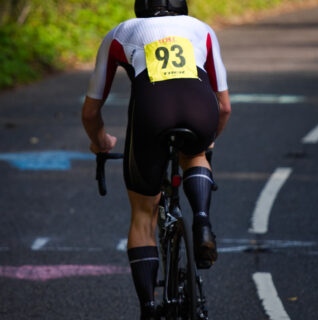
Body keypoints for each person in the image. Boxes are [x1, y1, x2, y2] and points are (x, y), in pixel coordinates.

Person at [82, 0, 231, 318]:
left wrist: (101, 142)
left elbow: (91, 111)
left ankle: (149, 308)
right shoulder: (202, 29)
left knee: (142, 214)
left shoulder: (121, 32)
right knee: (195, 155)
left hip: (151, 111)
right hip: (199, 109)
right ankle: (202, 222)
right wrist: (208, 138)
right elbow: (225, 106)